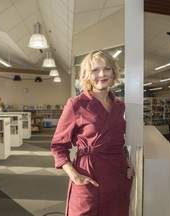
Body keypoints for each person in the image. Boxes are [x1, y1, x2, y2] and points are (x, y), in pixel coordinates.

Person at [51, 50, 134, 216]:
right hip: (89, 174)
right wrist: (74, 176)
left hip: (116, 175)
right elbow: (58, 146)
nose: (102, 74)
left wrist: (127, 162)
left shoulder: (120, 106)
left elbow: (117, 140)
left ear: (114, 72)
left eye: (107, 68)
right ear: (87, 75)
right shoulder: (76, 104)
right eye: (95, 70)